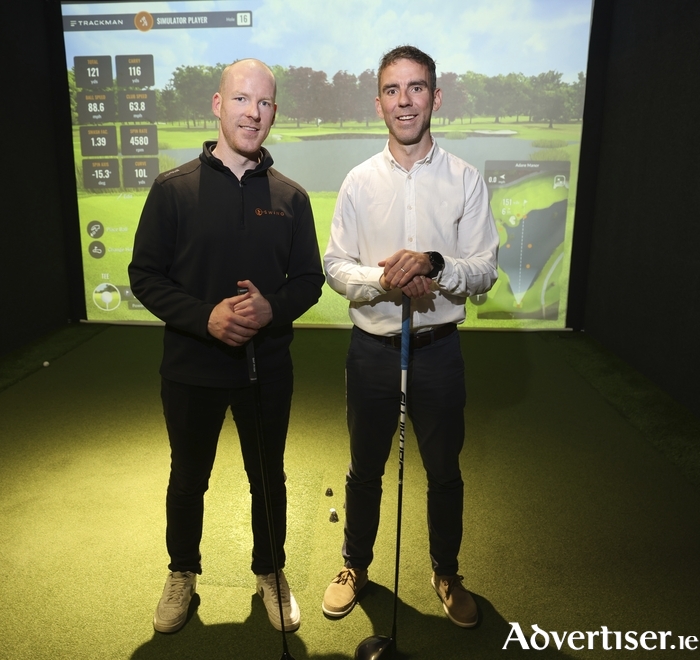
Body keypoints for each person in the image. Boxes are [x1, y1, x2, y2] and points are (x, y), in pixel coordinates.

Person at [129, 58, 324, 634]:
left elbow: (308, 280)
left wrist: (272, 308)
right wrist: (204, 317)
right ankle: (182, 575)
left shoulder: (292, 197)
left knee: (269, 478)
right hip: (192, 369)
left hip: (267, 369)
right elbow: (145, 275)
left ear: (274, 113)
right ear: (218, 105)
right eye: (242, 100)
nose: (252, 113)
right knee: (189, 477)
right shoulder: (173, 189)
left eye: (264, 103)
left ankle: (270, 570)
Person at [322, 45, 499, 628]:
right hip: (371, 351)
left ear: (435, 97)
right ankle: (355, 564)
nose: (405, 101)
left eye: (416, 88)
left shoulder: (465, 180)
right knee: (364, 468)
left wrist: (434, 263)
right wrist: (389, 277)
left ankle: (446, 571)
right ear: (379, 103)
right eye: (393, 91)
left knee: (444, 471)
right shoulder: (357, 181)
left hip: (439, 351)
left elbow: (484, 269)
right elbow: (337, 265)